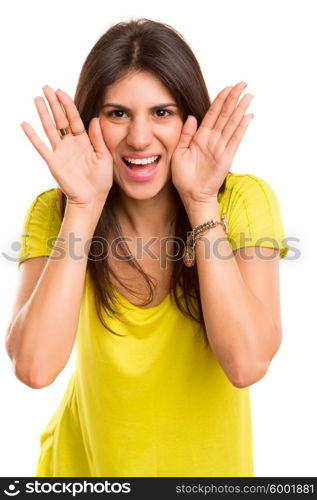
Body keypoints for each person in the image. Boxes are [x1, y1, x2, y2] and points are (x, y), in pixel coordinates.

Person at [5, 18, 288, 477]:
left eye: (162, 112)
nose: (139, 138)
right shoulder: (56, 210)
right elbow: (34, 368)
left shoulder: (240, 202)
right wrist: (83, 207)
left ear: (189, 119)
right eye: (118, 113)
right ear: (91, 120)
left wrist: (200, 202)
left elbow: (247, 362)